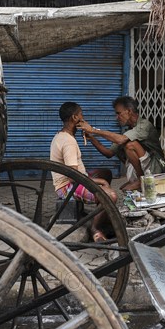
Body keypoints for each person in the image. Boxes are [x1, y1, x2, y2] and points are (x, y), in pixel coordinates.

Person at [50, 102, 117, 243]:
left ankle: (102, 211)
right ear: (75, 118)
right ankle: (95, 228)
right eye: (81, 115)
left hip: (75, 179)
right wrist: (101, 183)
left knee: (105, 173)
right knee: (111, 195)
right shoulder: (68, 142)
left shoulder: (62, 135)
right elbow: (73, 176)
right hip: (68, 187)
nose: (83, 118)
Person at [78, 96, 165, 191]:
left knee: (130, 145)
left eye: (119, 113)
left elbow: (121, 139)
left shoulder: (144, 125)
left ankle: (141, 179)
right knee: (123, 188)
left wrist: (93, 130)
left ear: (129, 111)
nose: (117, 117)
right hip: (146, 166)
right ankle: (138, 179)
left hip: (157, 167)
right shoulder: (128, 130)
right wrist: (91, 138)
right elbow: (109, 153)